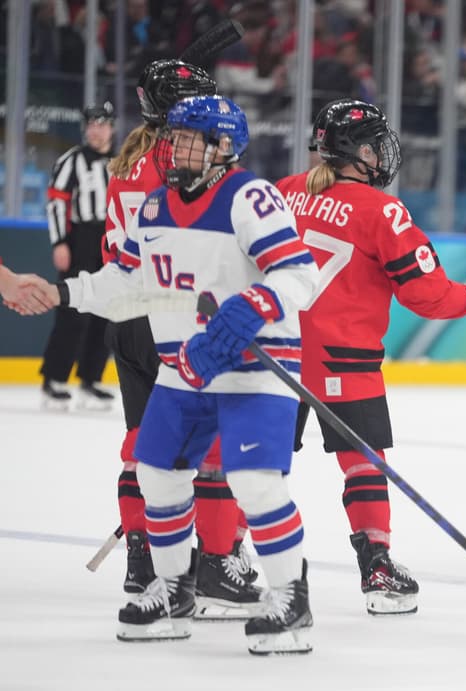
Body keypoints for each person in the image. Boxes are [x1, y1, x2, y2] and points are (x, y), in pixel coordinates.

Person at [28, 95, 318, 654]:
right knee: (157, 475)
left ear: (222, 147)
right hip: (183, 367)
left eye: (188, 137)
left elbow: (297, 275)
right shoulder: (155, 207)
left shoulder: (249, 198)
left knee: (256, 484)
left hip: (253, 368)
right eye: (173, 136)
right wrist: (64, 292)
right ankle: (174, 589)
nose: (173, 146)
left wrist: (251, 306)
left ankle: (290, 597)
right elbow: (128, 284)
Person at [275, 98, 466, 615]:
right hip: (342, 357)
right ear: (356, 151)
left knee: (259, 465)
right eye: (375, 145)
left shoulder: (284, 193)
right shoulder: (382, 210)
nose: (382, 155)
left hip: (276, 353)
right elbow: (425, 294)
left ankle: (221, 560)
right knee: (363, 465)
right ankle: (376, 566)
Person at [103, 59, 260, 619]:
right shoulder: (175, 162)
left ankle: (142, 563)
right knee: (210, 446)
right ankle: (217, 561)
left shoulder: (126, 160)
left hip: (125, 316)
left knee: (142, 444)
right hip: (170, 316)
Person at [40, 102, 115, 410]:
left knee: (107, 310)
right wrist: (59, 242)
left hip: (111, 241)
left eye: (102, 124)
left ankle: (90, 379)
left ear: (112, 127)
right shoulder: (71, 160)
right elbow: (57, 202)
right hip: (80, 238)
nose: (95, 130)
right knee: (71, 309)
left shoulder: (122, 161)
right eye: (91, 124)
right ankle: (54, 380)